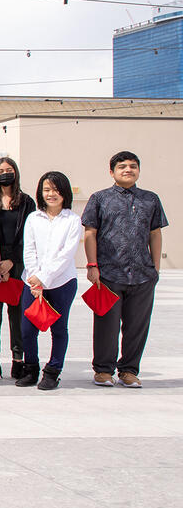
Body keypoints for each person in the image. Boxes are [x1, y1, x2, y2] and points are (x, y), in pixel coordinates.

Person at [83, 150, 167, 388]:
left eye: (132, 166)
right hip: (109, 273)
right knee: (106, 325)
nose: (128, 170)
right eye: (122, 166)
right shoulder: (99, 198)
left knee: (137, 326)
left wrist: (156, 268)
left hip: (142, 274)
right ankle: (103, 370)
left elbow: (155, 233)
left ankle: (129, 370)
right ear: (112, 172)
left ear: (139, 170)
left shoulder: (151, 199)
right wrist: (92, 266)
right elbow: (90, 233)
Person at [17, 171, 83, 390]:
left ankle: (53, 371)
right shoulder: (33, 218)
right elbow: (29, 249)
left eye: (55, 190)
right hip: (32, 282)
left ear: (64, 192)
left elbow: (66, 254)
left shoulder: (72, 220)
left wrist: (43, 278)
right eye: (46, 190)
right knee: (27, 329)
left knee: (59, 329)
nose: (51, 194)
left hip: (62, 282)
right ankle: (31, 368)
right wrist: (35, 278)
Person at [0, 157, 36, 381]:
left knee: (18, 315)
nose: (5, 173)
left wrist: (11, 261)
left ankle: (18, 360)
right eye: (0, 170)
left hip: (18, 262)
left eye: (9, 169)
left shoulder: (27, 202)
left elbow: (30, 234)